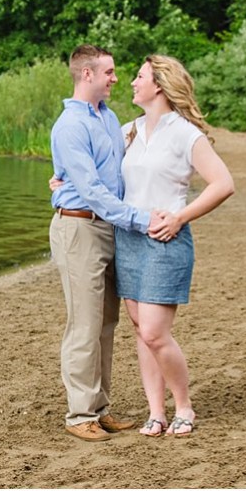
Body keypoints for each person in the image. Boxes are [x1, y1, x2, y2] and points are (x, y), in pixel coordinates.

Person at [49, 44, 166, 442]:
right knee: (83, 323)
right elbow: (93, 191)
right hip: (80, 229)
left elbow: (116, 171)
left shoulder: (108, 117)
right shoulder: (70, 126)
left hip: (107, 229)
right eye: (110, 72)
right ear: (87, 75)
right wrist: (139, 220)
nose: (116, 78)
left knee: (105, 322)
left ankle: (99, 409)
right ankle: (79, 413)